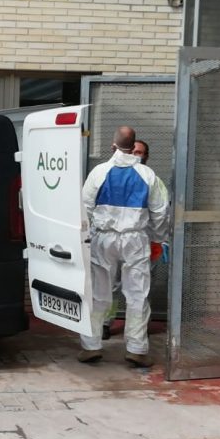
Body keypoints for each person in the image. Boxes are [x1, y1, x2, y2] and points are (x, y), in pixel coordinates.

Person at [79, 127, 169, 367]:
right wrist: (158, 238)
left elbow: (84, 207)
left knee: (99, 294)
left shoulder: (99, 172)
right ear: (133, 148)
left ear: (113, 146)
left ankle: (91, 346)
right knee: (137, 294)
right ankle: (136, 349)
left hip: (103, 239)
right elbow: (161, 211)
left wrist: (85, 238)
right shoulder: (148, 175)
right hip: (136, 239)